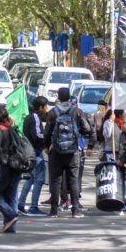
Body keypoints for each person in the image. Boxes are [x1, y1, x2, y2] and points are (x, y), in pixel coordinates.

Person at [44, 87, 91, 218]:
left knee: (55, 181)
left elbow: (47, 132)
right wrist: (77, 134)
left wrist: (47, 146)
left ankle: (54, 210)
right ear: (70, 96)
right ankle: (75, 210)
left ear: (58, 96)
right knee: (73, 180)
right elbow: (87, 128)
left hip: (56, 151)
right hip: (73, 151)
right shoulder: (77, 111)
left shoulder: (53, 112)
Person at [0, 104, 22, 233]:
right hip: (15, 167)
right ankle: (10, 226)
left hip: (4, 167)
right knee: (11, 196)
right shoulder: (10, 128)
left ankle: (11, 215)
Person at [18, 96, 48, 216]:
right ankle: (33, 207)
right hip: (35, 152)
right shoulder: (35, 118)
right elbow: (37, 135)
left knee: (30, 179)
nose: (46, 109)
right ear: (41, 107)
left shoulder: (30, 117)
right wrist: (48, 138)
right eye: (45, 106)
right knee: (39, 179)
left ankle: (20, 204)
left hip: (30, 152)